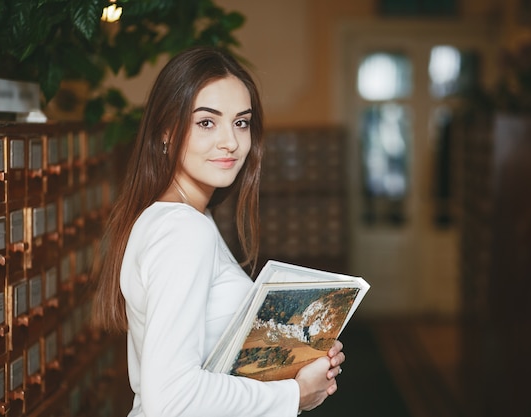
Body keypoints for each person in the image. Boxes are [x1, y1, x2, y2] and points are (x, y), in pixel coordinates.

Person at [92, 46, 345, 417]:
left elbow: (216, 360)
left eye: (241, 122)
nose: (231, 141)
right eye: (207, 122)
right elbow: (172, 399)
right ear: (165, 131)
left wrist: (298, 354)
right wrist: (293, 394)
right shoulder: (183, 229)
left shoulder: (179, 217)